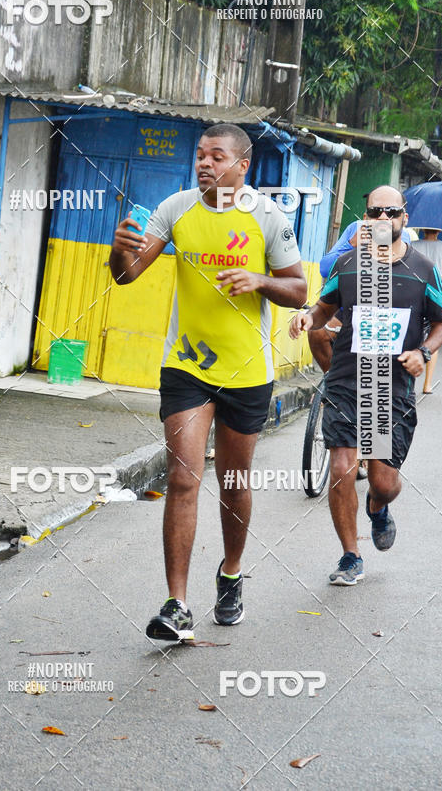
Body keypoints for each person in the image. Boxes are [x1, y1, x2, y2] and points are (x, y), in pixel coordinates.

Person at [109, 123, 307, 640]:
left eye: (215, 156)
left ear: (243, 165)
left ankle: (231, 574)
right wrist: (118, 249)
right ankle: (177, 605)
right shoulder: (176, 208)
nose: (203, 163)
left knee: (234, 483)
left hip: (246, 372)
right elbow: (127, 274)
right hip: (187, 368)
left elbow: (299, 290)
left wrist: (260, 280)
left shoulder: (268, 217)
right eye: (199, 155)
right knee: (182, 477)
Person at [289, 186, 442, 586]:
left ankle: (378, 508)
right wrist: (309, 318)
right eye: (374, 212)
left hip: (390, 387)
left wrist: (424, 353)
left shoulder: (421, 270)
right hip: (346, 380)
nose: (382, 219)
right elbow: (325, 305)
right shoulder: (348, 264)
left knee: (383, 481)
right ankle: (350, 555)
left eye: (390, 212)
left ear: (404, 219)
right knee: (342, 468)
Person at [309, 219, 412, 374]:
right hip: (348, 307)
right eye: (375, 211)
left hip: (381, 310)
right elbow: (324, 268)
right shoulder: (355, 228)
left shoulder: (400, 233)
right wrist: (351, 244)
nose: (381, 216)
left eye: (387, 210)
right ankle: (331, 379)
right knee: (316, 332)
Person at [412, 229, 442, 393]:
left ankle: (407, 382)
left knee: (410, 334)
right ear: (439, 231)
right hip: (435, 295)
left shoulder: (412, 245)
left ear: (423, 229)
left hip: (413, 292)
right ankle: (427, 385)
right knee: (433, 336)